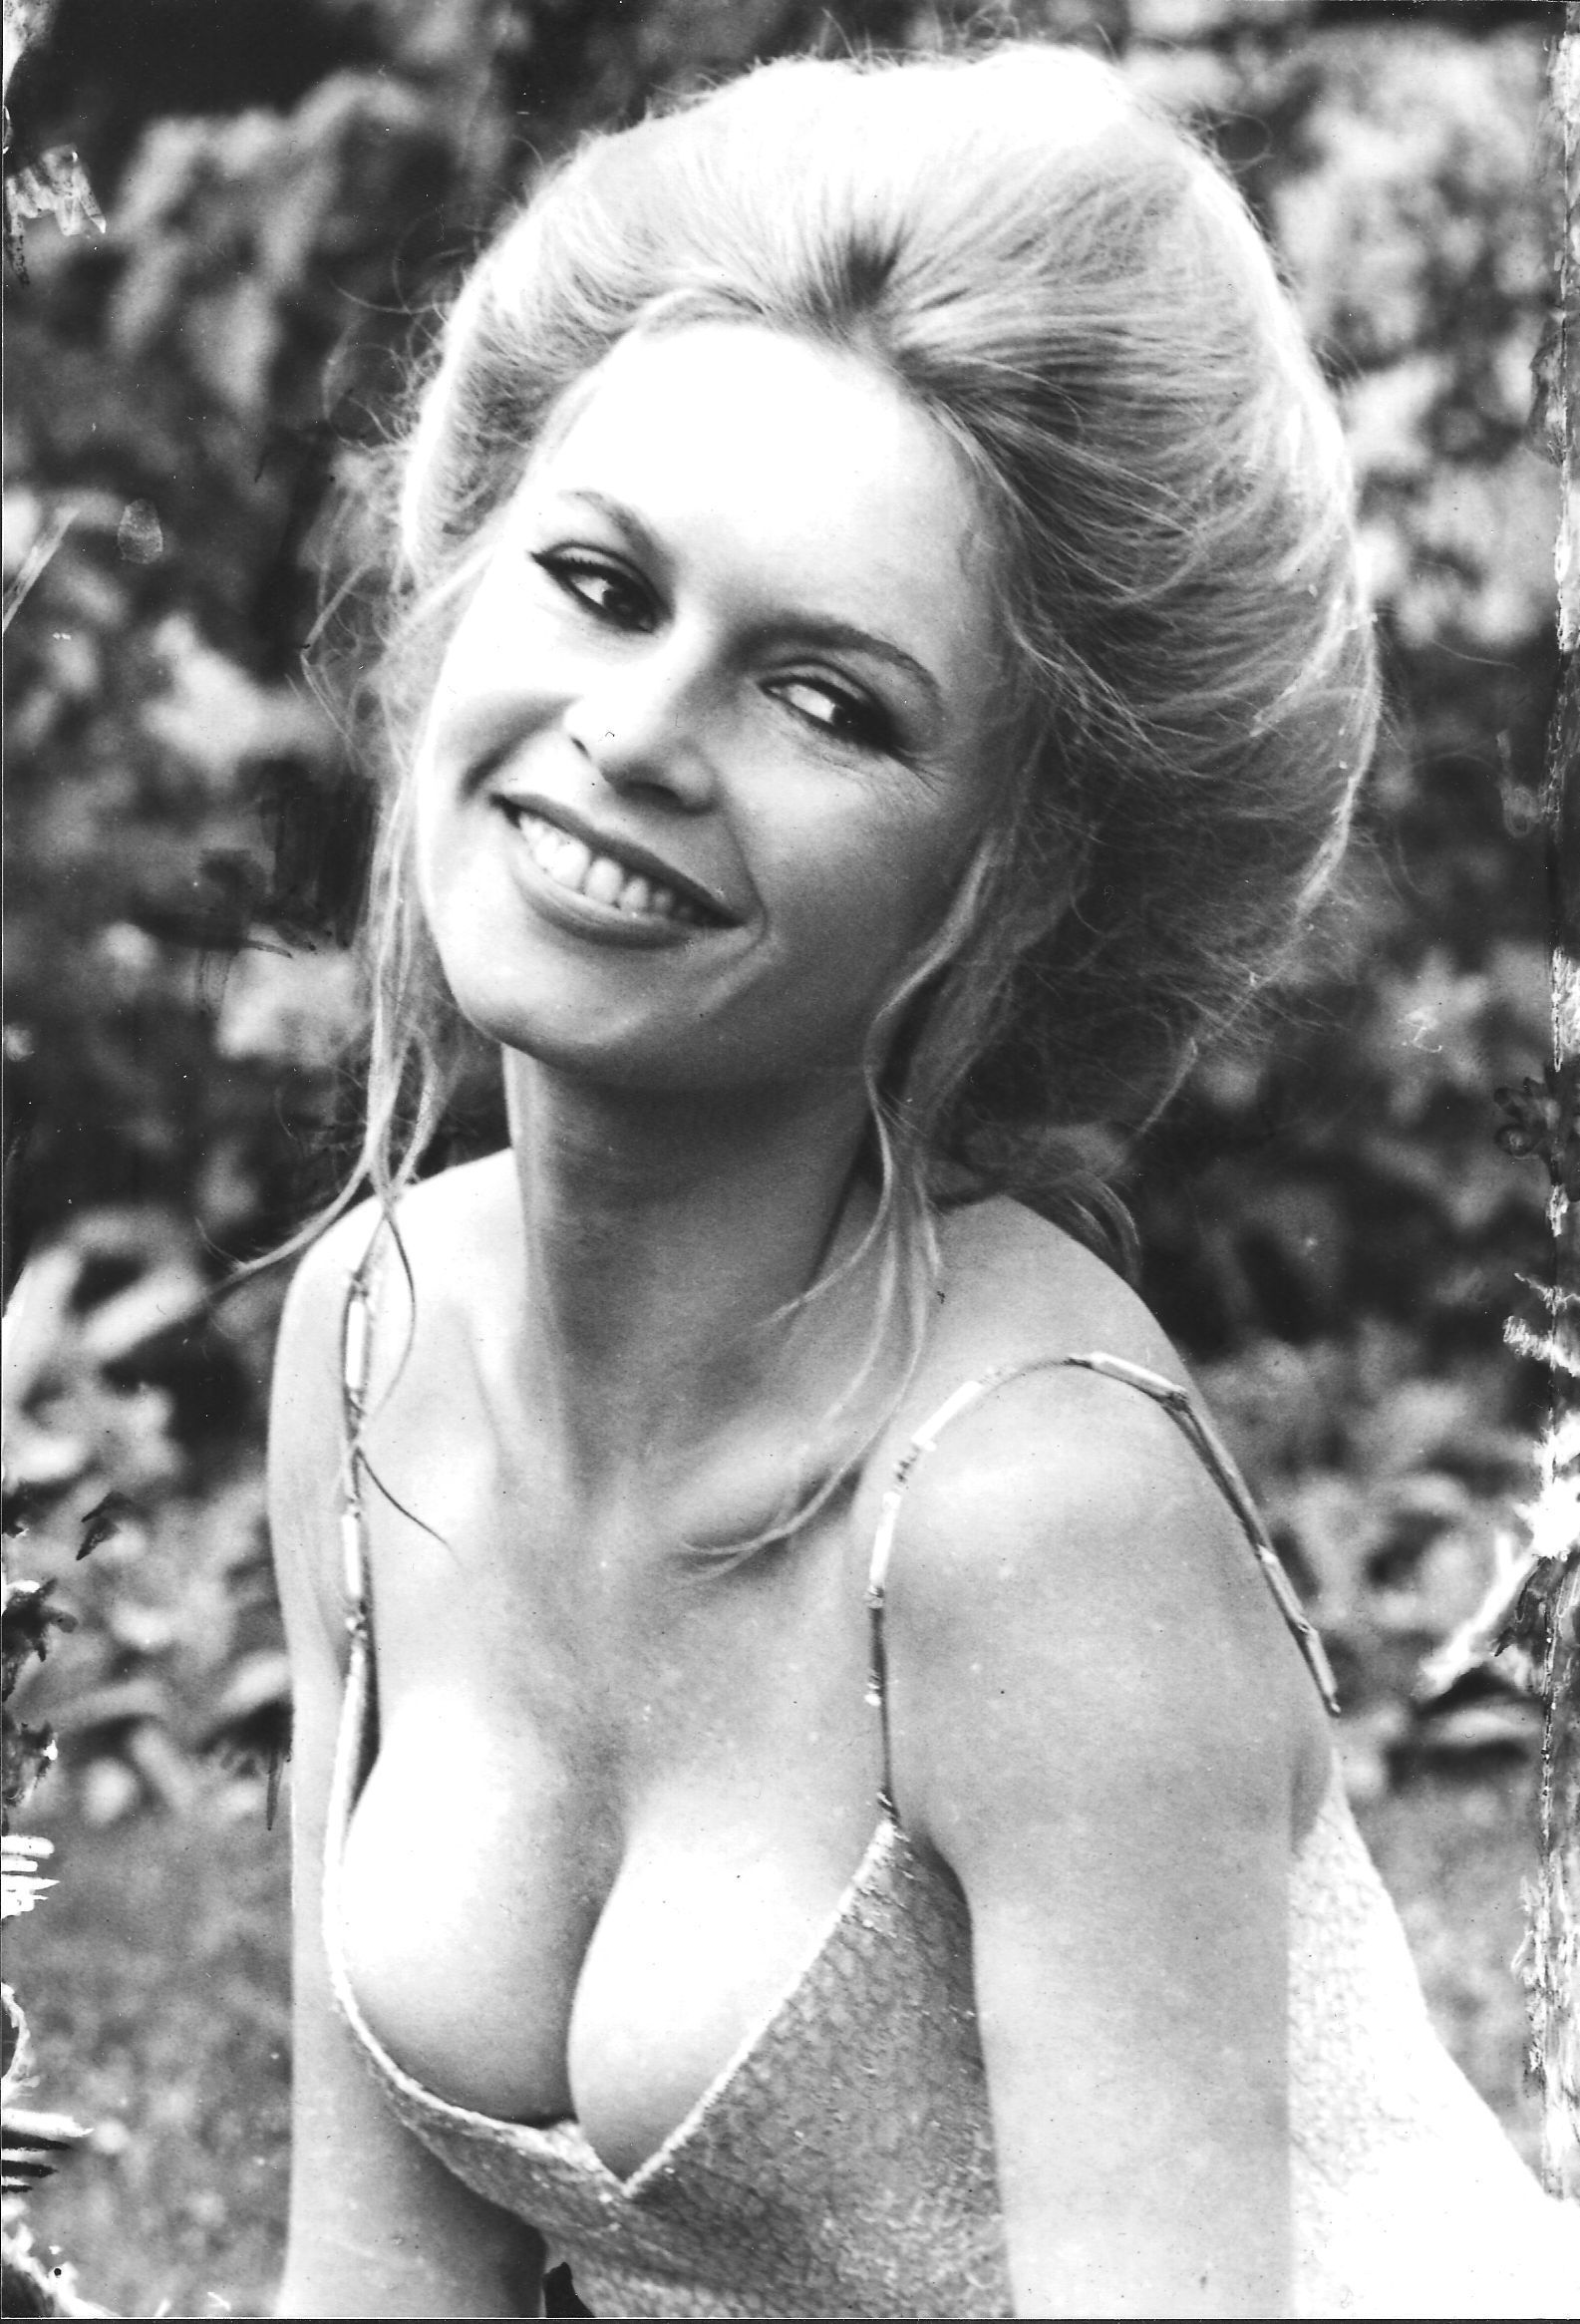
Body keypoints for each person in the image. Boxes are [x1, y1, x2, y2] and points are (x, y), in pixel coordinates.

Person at [268, 42, 1580, 2322]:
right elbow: (378, 2281)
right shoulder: (369, 1342)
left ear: (1017, 874)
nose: (636, 731)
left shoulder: (1028, 1512)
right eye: (596, 580)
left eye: (828, 697)